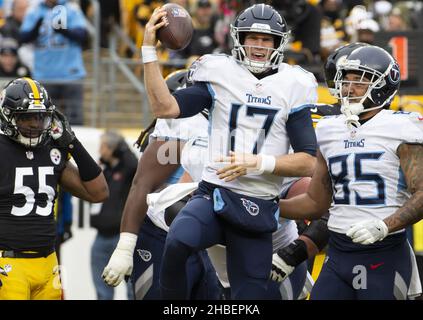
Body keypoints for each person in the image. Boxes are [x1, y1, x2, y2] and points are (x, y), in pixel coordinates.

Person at [142, 3, 318, 299]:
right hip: (215, 192)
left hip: (259, 204)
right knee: (178, 241)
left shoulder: (294, 84)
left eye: (266, 40)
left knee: (248, 298)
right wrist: (149, 51)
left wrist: (258, 163)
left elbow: (308, 161)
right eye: (252, 38)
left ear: (278, 43)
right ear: (239, 39)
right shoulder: (218, 72)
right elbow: (164, 107)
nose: (259, 46)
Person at [277, 45, 423, 299]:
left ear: (383, 85)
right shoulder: (329, 129)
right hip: (338, 252)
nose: (348, 88)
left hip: (383, 252)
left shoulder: (402, 127)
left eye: (360, 81)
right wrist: (268, 205)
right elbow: (315, 202)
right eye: (345, 80)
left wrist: (384, 226)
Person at [102, 70, 222, 300]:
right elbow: (142, 184)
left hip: (204, 237)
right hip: (163, 233)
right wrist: (126, 246)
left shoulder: (226, 125)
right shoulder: (183, 122)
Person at [0, 77, 108, 300]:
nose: (34, 124)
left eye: (40, 117)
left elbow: (98, 193)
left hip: (49, 263)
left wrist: (73, 143)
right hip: (8, 262)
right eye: (26, 117)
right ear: (7, 116)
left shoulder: (51, 150)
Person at [19, 0, 88, 125]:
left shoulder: (71, 8)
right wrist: (36, 28)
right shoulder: (34, 10)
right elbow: (23, 37)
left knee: (75, 120)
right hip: (44, 74)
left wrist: (64, 30)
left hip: (70, 74)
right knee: (44, 121)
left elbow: (83, 36)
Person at [90, 131, 137, 300]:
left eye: (103, 146)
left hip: (120, 236)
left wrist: (122, 148)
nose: (100, 150)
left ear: (114, 149)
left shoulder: (128, 169)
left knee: (131, 289)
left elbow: (134, 165)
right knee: (102, 290)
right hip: (101, 237)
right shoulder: (105, 170)